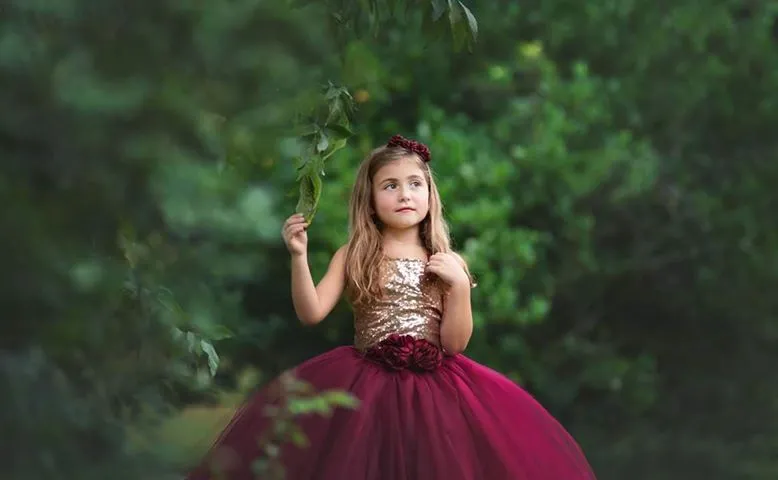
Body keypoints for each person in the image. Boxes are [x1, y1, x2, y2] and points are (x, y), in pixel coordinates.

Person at [186, 135, 597, 479]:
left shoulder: (445, 259)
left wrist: (460, 289)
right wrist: (298, 257)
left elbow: (455, 343)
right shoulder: (355, 254)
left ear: (430, 194)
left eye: (415, 183)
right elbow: (311, 313)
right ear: (370, 198)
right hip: (365, 386)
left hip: (437, 391)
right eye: (391, 185)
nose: (405, 194)